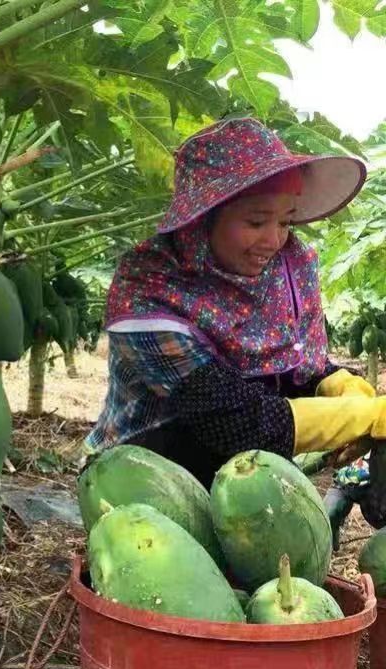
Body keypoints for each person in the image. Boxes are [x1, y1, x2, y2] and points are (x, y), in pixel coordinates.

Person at [85, 116, 381, 489]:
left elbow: (290, 370)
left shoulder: (284, 270)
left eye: (287, 222)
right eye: (257, 222)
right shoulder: (151, 295)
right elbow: (231, 420)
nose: (274, 241)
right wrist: (360, 417)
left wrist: (337, 383)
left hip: (241, 475)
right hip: (144, 475)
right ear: (203, 220)